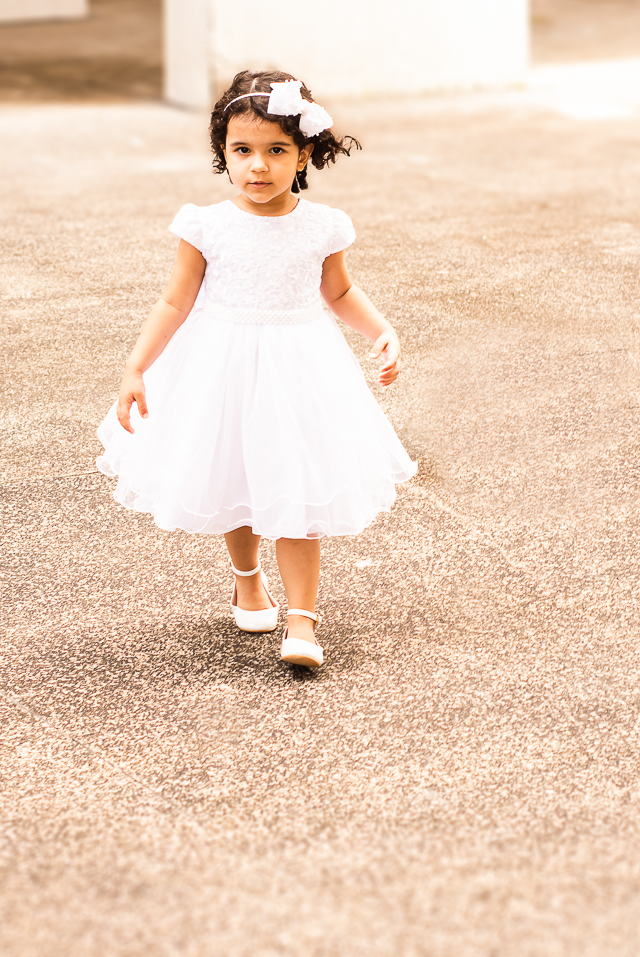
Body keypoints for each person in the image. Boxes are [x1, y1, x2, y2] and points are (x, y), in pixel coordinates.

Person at [96, 69, 416, 669]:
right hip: (222, 365)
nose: (259, 166)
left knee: (297, 486)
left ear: (304, 155)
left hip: (299, 369)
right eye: (242, 151)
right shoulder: (206, 226)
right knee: (234, 478)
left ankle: (302, 620)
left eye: (277, 151)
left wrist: (381, 330)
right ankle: (247, 581)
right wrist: (136, 367)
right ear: (223, 151)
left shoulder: (322, 226)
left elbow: (339, 292)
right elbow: (175, 302)